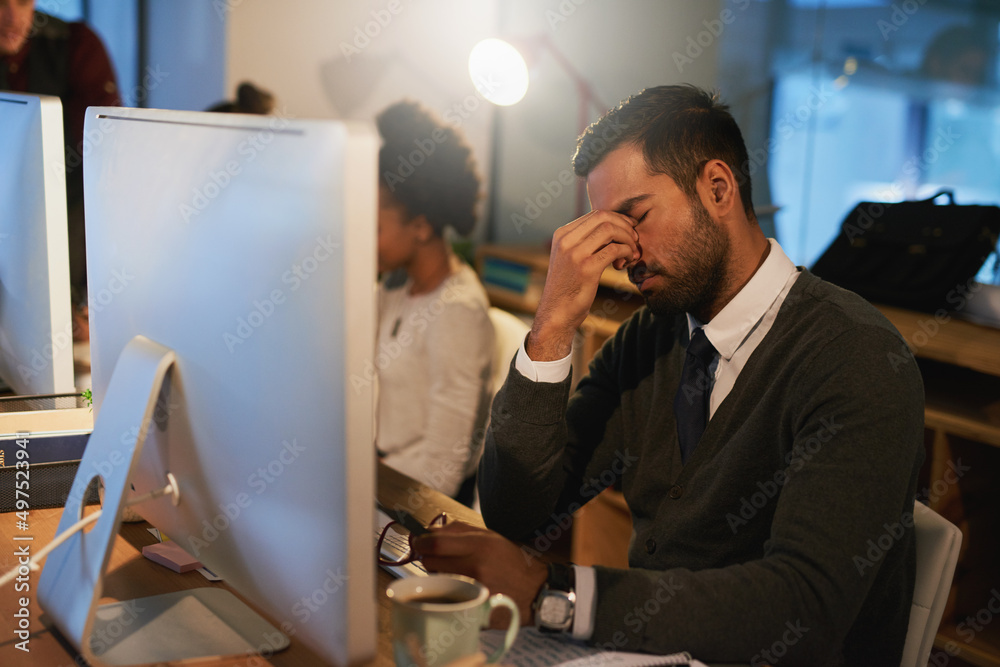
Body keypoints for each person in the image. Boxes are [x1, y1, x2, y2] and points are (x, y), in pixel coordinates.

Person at [413, 85, 925, 665]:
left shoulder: (854, 356)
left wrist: (554, 593)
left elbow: (806, 610)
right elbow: (518, 515)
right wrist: (552, 329)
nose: (624, 252)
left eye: (636, 218)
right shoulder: (652, 339)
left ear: (718, 188)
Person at [374, 100, 494, 504]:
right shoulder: (393, 287)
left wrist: (365, 491)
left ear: (421, 226)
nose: (362, 238)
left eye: (374, 227)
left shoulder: (457, 311)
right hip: (382, 473)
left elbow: (442, 468)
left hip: (420, 502)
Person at [0, 0, 120, 328]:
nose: (12, 18)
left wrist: (88, 292)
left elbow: (104, 158)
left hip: (67, 221)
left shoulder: (75, 44)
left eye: (23, 2)